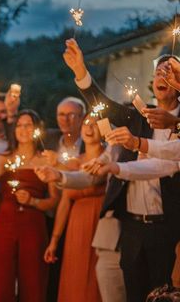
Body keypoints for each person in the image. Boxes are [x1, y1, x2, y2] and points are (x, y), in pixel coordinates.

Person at [63, 38, 180, 302]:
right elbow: (101, 102)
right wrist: (80, 71)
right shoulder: (138, 116)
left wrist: (119, 163)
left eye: (169, 71)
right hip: (132, 228)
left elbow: (166, 165)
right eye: (158, 71)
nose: (162, 75)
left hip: (169, 228)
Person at [0, 110, 60, 302]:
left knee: (34, 279)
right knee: (0, 279)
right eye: (19, 125)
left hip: (33, 224)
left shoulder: (46, 160)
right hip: (5, 222)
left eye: (28, 125)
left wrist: (32, 201)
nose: (23, 129)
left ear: (37, 129)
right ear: (14, 130)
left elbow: (54, 199)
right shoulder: (2, 158)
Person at [43, 114, 105, 302]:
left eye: (95, 124)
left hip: (101, 223)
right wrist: (54, 240)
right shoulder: (72, 163)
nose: (89, 128)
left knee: (97, 281)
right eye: (86, 123)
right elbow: (64, 202)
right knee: (75, 277)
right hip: (76, 227)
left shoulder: (111, 158)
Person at [43, 97, 87, 161]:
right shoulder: (47, 140)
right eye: (61, 114)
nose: (65, 119)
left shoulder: (90, 144)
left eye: (71, 115)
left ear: (82, 118)